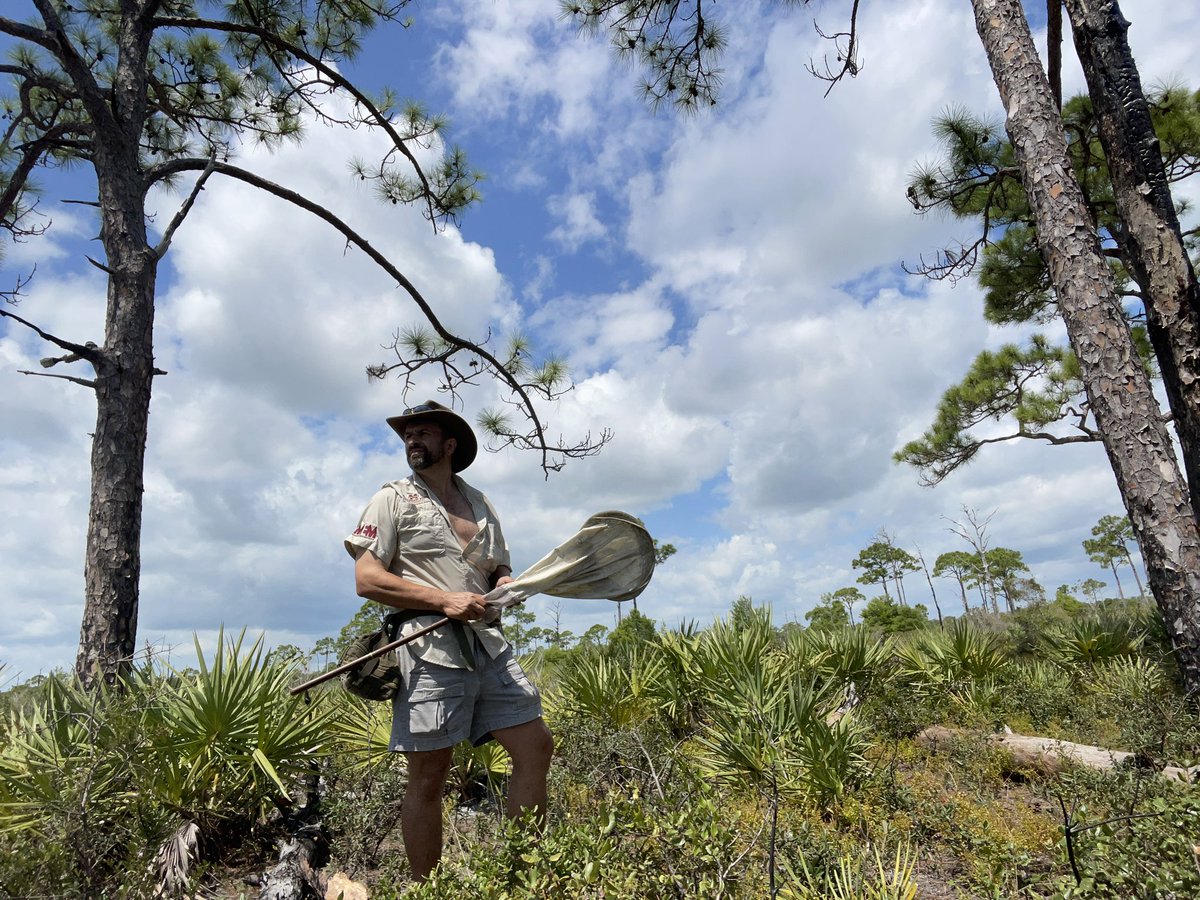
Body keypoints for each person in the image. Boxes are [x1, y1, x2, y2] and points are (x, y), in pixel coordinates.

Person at [344, 400, 554, 881]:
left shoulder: (480, 503)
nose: (412, 441)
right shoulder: (392, 498)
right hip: (427, 647)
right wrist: (444, 600)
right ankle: (427, 889)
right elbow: (367, 578)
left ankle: (523, 877)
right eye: (407, 435)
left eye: (422, 433)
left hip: (489, 644)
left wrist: (504, 586)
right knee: (429, 776)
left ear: (449, 444)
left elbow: (499, 567)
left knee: (536, 746)